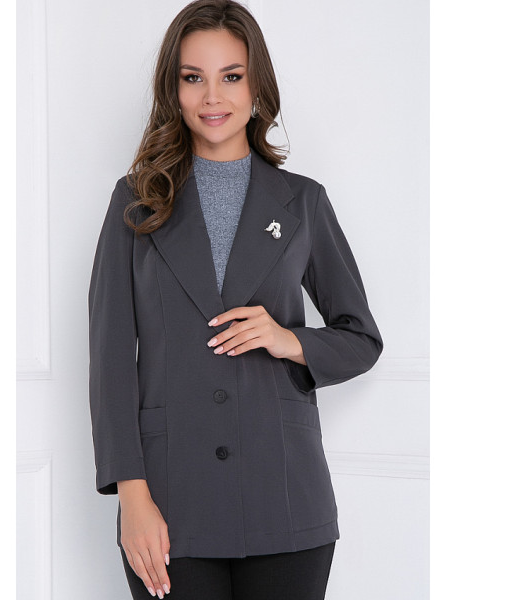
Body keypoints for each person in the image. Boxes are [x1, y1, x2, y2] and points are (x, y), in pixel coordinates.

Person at [88, 1, 383, 598]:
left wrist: (289, 339)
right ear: (173, 90)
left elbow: (361, 338)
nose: (212, 96)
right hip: (169, 506)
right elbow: (110, 359)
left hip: (285, 499)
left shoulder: (303, 202)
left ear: (257, 86)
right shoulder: (135, 202)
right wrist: (132, 495)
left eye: (231, 75)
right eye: (192, 77)